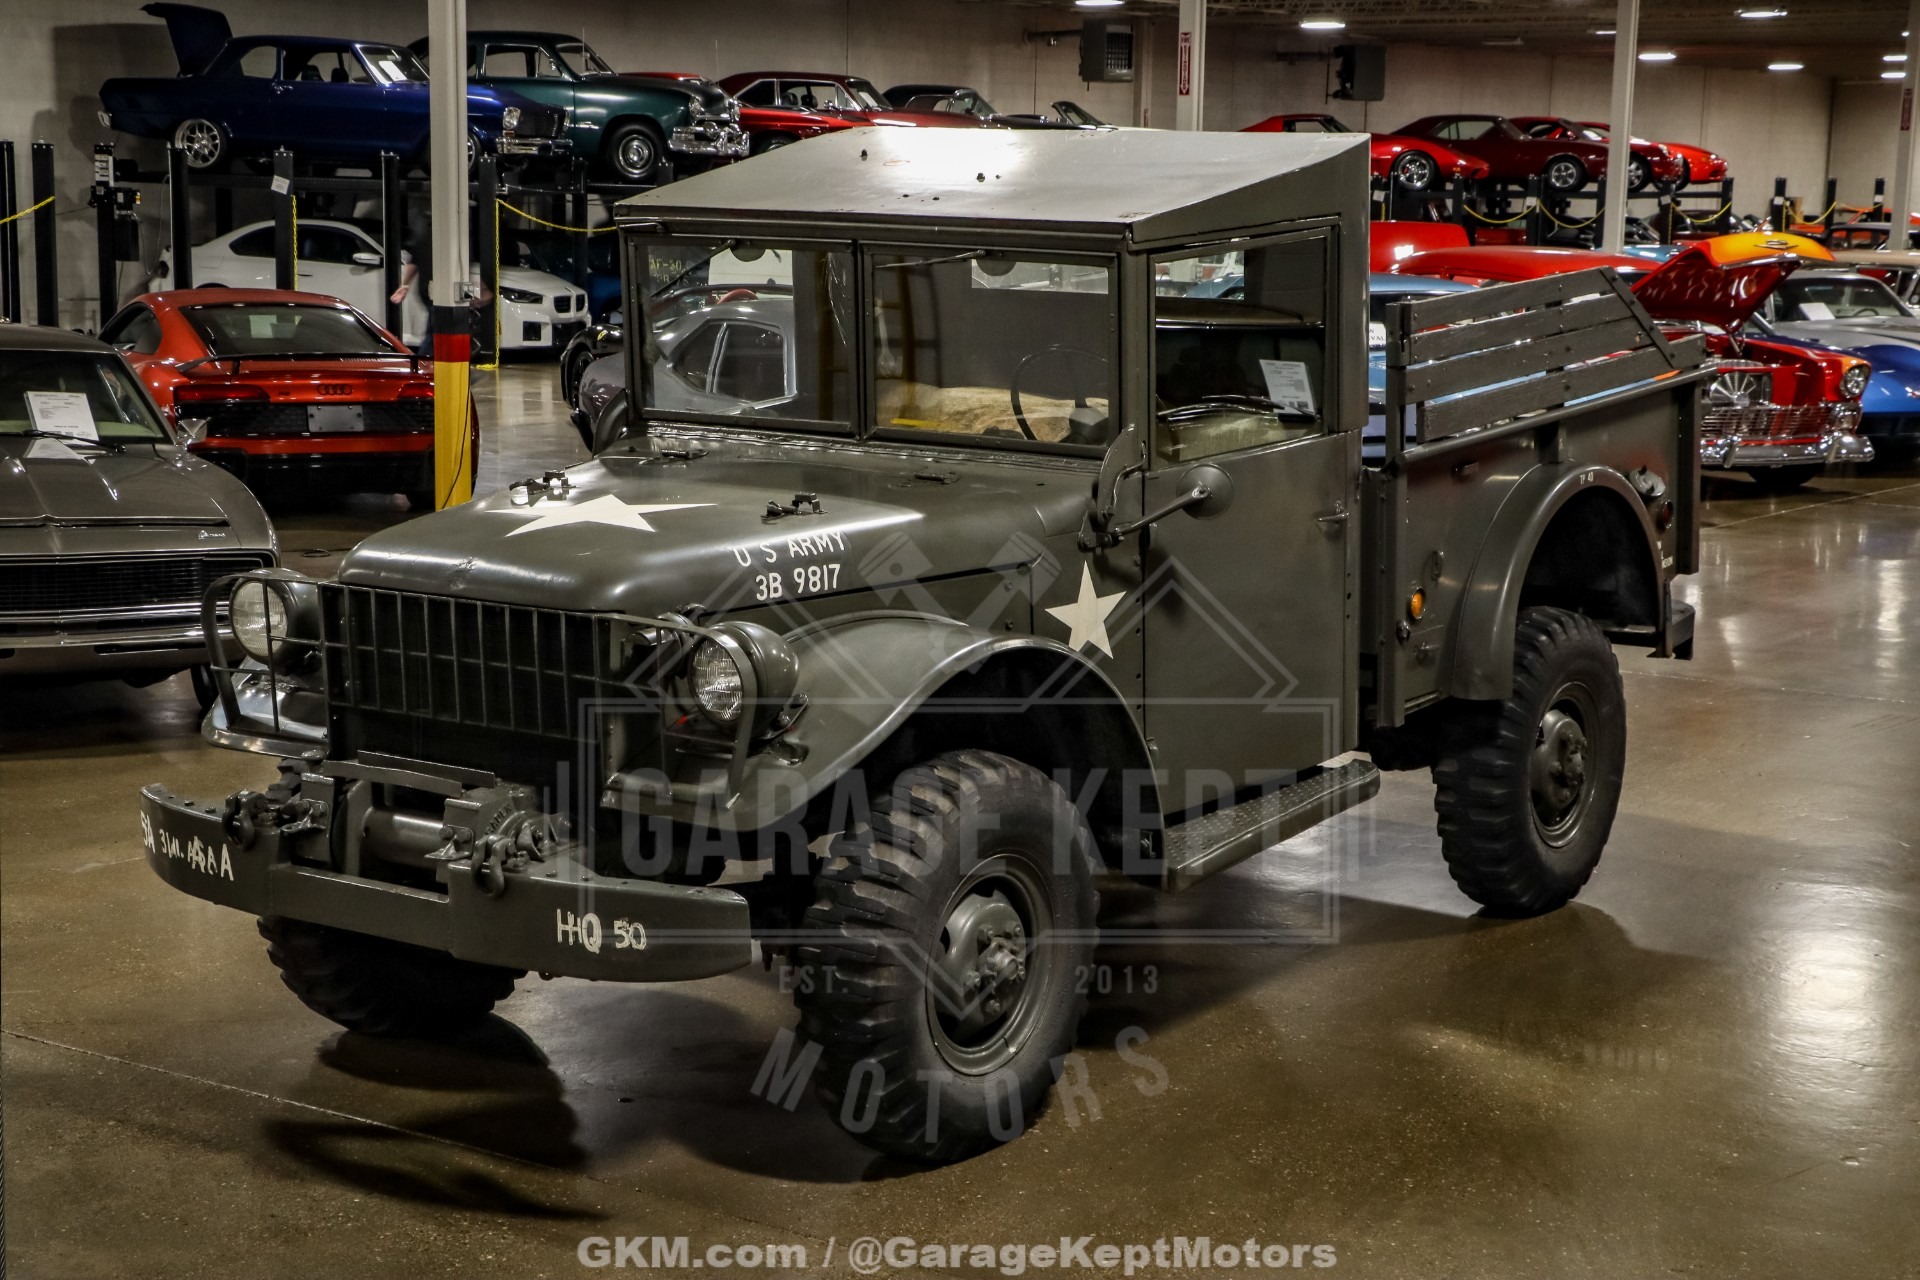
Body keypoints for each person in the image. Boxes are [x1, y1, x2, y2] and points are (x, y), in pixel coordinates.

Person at [390, 204, 492, 359]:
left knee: (442, 332)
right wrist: (479, 292)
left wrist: (405, 285)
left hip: (437, 290)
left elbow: (415, 261)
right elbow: (462, 267)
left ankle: (439, 364)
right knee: (437, 334)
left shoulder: (429, 231)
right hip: (441, 291)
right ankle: (424, 365)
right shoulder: (450, 234)